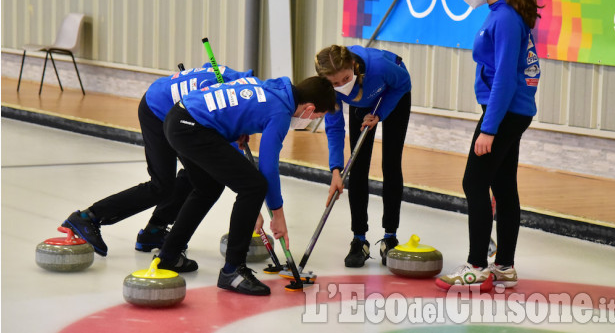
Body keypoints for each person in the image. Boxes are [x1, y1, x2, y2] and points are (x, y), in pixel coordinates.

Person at [157, 75, 336, 295]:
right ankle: (233, 271)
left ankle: (168, 256)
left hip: (178, 119)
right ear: (309, 108)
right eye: (317, 116)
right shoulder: (280, 112)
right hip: (191, 127)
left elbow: (235, 108)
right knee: (253, 186)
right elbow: (268, 168)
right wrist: (278, 215)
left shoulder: (275, 88)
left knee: (208, 188)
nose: (311, 120)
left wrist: (235, 131)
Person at [62, 64, 253, 267]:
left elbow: (206, 70)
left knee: (197, 174)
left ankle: (155, 231)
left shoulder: (233, 80)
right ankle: (88, 216)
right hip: (157, 111)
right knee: (161, 185)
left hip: (179, 114)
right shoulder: (227, 94)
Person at [436, 0, 541, 291]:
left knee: (474, 182)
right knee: (503, 186)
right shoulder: (500, 13)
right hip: (509, 112)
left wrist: (489, 129)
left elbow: (506, 80)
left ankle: (478, 264)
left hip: (506, 113)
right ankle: (505, 267)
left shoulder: (506, 18)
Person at [315, 44, 411, 267]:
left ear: (354, 66)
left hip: (392, 93)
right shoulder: (330, 88)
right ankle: (359, 239)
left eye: (345, 79)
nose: (341, 86)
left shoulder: (379, 67)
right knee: (356, 167)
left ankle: (390, 236)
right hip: (362, 102)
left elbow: (404, 83)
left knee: (391, 163)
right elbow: (335, 128)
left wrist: (380, 113)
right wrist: (336, 170)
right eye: (335, 83)